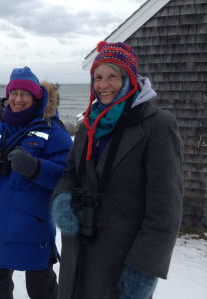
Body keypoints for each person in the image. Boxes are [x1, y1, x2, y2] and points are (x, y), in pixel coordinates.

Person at [51, 41, 183, 299]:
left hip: (121, 263)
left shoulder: (157, 126)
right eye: (98, 77)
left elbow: (166, 208)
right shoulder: (90, 122)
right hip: (78, 252)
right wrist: (63, 200)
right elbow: (70, 172)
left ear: (129, 79)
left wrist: (144, 269)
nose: (103, 85)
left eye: (113, 76)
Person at [0, 66, 73, 299]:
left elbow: (68, 177)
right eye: (13, 93)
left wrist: (35, 168)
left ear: (36, 97)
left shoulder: (53, 130)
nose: (17, 99)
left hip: (32, 224)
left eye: (24, 94)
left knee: (41, 288)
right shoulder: (0, 126)